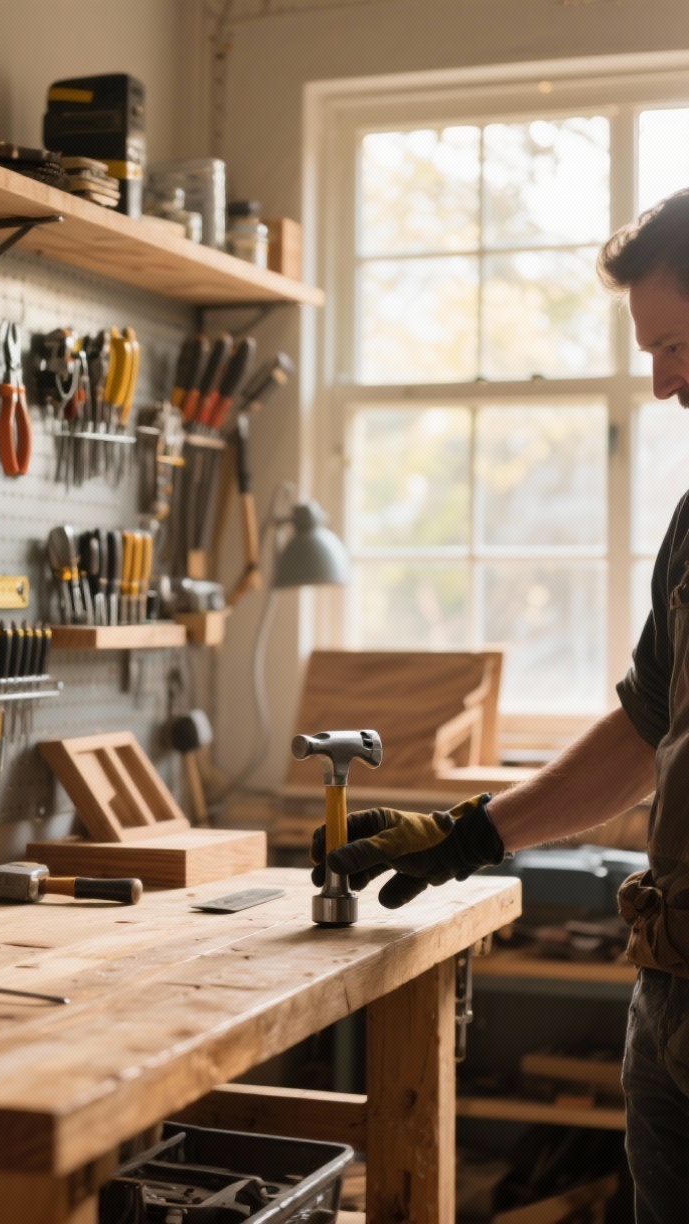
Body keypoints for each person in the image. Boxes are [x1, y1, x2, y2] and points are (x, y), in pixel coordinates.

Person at [310, 186, 689, 1224]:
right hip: (671, 998)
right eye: (650, 353)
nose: (661, 388)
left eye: (674, 348)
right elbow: (646, 726)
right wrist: (473, 833)